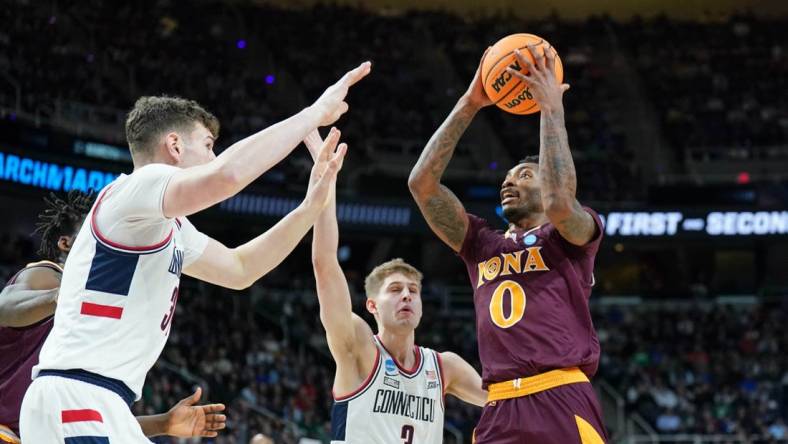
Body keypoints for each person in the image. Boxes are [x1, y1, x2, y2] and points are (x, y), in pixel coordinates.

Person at [19, 61, 371, 443]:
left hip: (104, 402)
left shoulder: (170, 226)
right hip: (78, 395)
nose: (212, 156)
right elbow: (227, 176)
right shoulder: (137, 188)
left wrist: (310, 206)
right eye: (208, 145)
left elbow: (240, 269)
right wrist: (313, 114)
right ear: (174, 145)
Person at [408, 45, 608, 443]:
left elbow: (558, 202)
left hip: (561, 395)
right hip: (498, 404)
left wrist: (552, 109)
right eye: (507, 176)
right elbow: (422, 184)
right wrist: (470, 102)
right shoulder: (480, 243)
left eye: (524, 175)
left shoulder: (569, 237)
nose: (509, 181)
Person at [0, 192, 226, 443]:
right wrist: (61, 295)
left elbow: (95, 421)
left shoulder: (96, 325)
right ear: (66, 244)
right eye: (91, 234)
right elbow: (5, 307)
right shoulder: (49, 274)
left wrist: (165, 422)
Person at [306, 130, 486, 444]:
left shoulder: (445, 367)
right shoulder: (358, 347)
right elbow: (324, 264)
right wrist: (326, 183)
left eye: (413, 290)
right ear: (372, 305)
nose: (406, 295)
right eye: (395, 289)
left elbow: (507, 399)